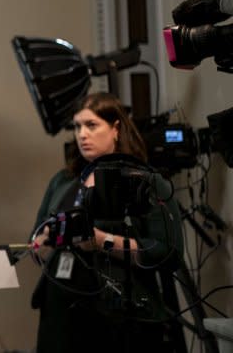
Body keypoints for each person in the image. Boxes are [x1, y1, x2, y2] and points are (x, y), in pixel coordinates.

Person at [30, 92, 183, 353]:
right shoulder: (62, 181)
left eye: (91, 125)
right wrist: (43, 242)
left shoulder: (145, 182)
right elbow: (36, 239)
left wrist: (103, 242)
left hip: (122, 314)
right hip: (60, 312)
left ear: (115, 129)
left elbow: (167, 252)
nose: (82, 134)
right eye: (77, 127)